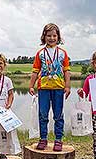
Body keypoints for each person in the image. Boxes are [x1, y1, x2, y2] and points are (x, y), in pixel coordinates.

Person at [29, 23, 71, 151]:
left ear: (58, 37)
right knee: (43, 115)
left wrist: (68, 86)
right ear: (44, 37)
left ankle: (58, 140)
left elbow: (67, 71)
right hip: (43, 89)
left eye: (54, 35)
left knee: (58, 115)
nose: (51, 38)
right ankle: (43, 139)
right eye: (49, 35)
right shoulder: (40, 53)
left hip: (59, 88)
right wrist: (31, 85)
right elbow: (35, 71)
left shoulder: (63, 53)